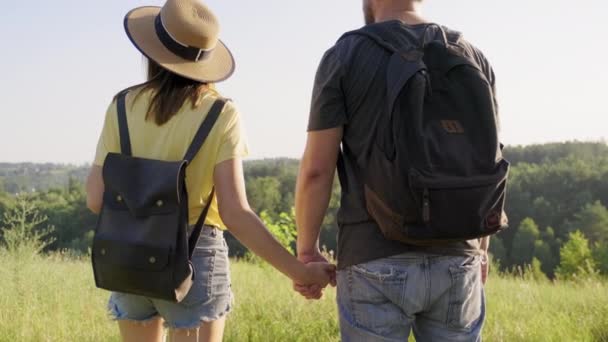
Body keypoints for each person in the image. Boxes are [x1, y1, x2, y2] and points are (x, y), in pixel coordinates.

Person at [85, 1, 334, 341]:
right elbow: (235, 213)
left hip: (129, 255)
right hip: (194, 257)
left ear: (152, 51)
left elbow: (96, 200)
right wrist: (298, 270)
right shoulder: (220, 113)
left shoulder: (121, 106)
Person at [294, 0, 497, 340]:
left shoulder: (345, 55)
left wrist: (306, 250)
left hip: (372, 255)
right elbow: (485, 157)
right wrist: (481, 246)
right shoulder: (472, 55)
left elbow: (317, 169)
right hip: (459, 254)